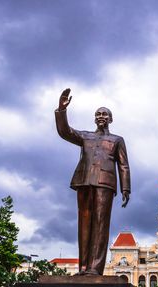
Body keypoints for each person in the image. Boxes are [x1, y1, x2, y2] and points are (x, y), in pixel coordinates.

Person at [55, 88, 131, 275]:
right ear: (94, 118)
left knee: (100, 223)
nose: (101, 116)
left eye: (104, 114)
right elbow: (65, 132)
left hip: (105, 183)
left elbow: (124, 165)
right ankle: (83, 268)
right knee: (84, 223)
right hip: (84, 181)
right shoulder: (85, 136)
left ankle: (95, 268)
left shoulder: (117, 140)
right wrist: (61, 110)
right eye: (98, 114)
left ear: (110, 119)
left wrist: (126, 188)